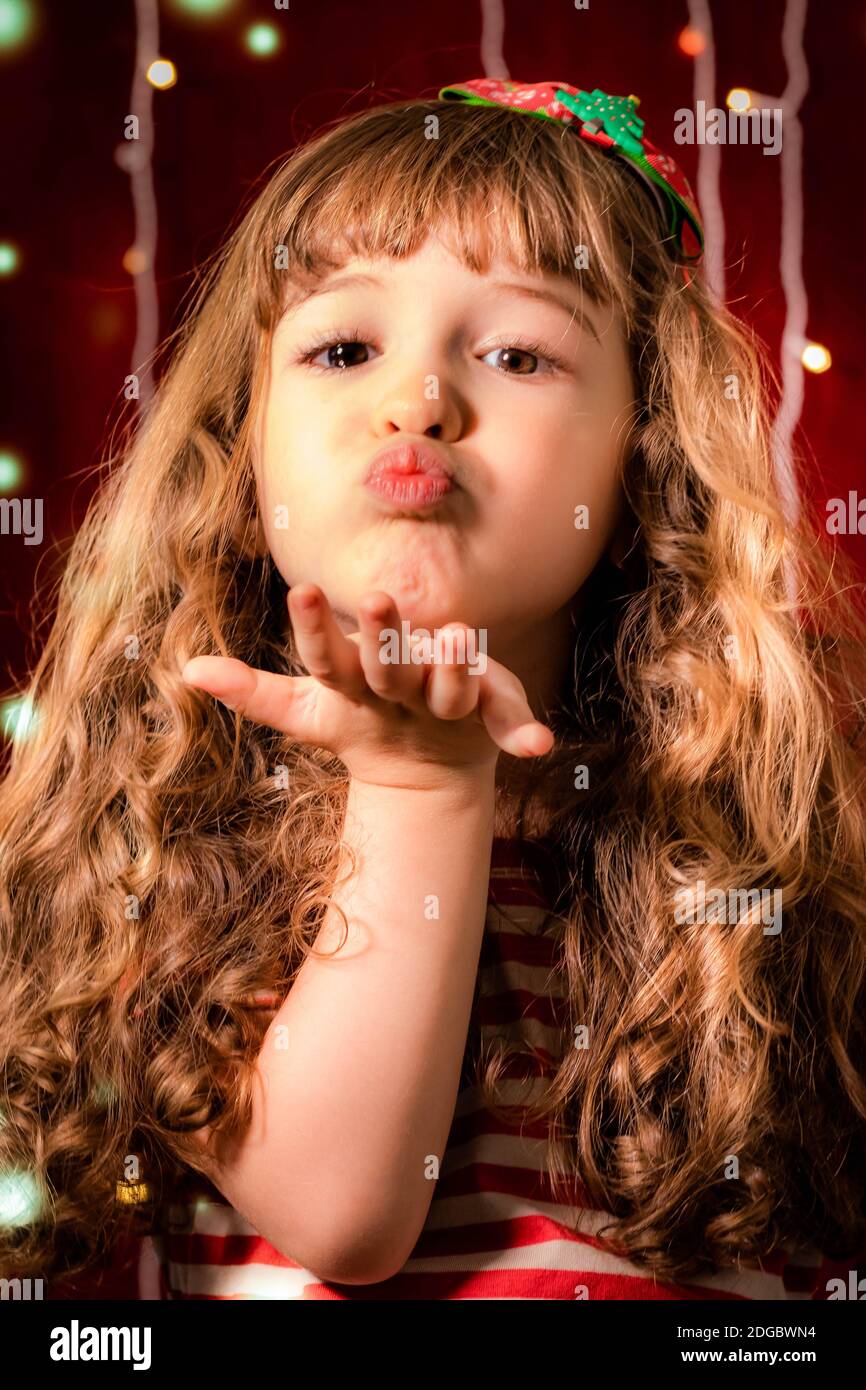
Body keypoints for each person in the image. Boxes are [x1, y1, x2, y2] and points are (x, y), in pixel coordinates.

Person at [2, 78, 866, 1301]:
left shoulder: (737, 853)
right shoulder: (169, 827)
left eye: (518, 352)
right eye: (344, 348)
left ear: (645, 468)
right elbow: (345, 1217)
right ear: (241, 467)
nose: (416, 400)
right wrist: (414, 784)